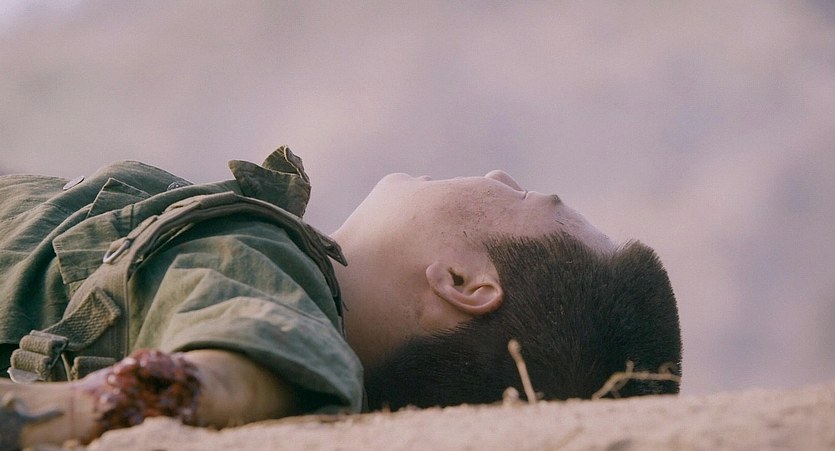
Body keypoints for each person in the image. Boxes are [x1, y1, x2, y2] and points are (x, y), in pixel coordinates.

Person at [0, 147, 681, 448]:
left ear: (461, 282)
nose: (499, 173)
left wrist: (82, 408)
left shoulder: (269, 269)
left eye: (524, 198)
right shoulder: (274, 265)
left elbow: (248, 365)